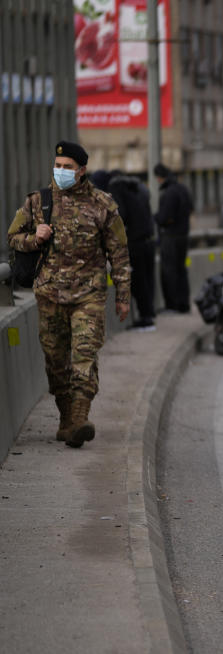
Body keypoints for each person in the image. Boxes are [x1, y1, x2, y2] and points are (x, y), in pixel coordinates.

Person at [6, 141, 131, 448]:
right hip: (49, 295)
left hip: (89, 296)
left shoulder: (103, 204)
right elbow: (13, 238)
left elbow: (120, 254)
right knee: (55, 362)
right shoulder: (38, 202)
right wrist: (34, 238)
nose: (61, 171)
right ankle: (66, 420)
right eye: (58, 165)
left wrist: (123, 295)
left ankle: (79, 419)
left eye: (67, 167)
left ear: (82, 170)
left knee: (84, 356)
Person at [107, 170, 156, 331]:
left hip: (134, 242)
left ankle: (146, 319)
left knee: (137, 281)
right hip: (148, 240)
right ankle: (149, 314)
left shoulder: (116, 190)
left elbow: (121, 216)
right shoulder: (138, 189)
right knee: (147, 280)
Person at [153, 163, 193, 313]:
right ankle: (184, 304)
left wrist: (155, 217)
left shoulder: (169, 193)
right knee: (181, 270)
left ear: (160, 177)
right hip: (184, 236)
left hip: (170, 237)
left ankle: (172, 305)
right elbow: (190, 209)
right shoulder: (183, 189)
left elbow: (164, 217)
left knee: (169, 271)